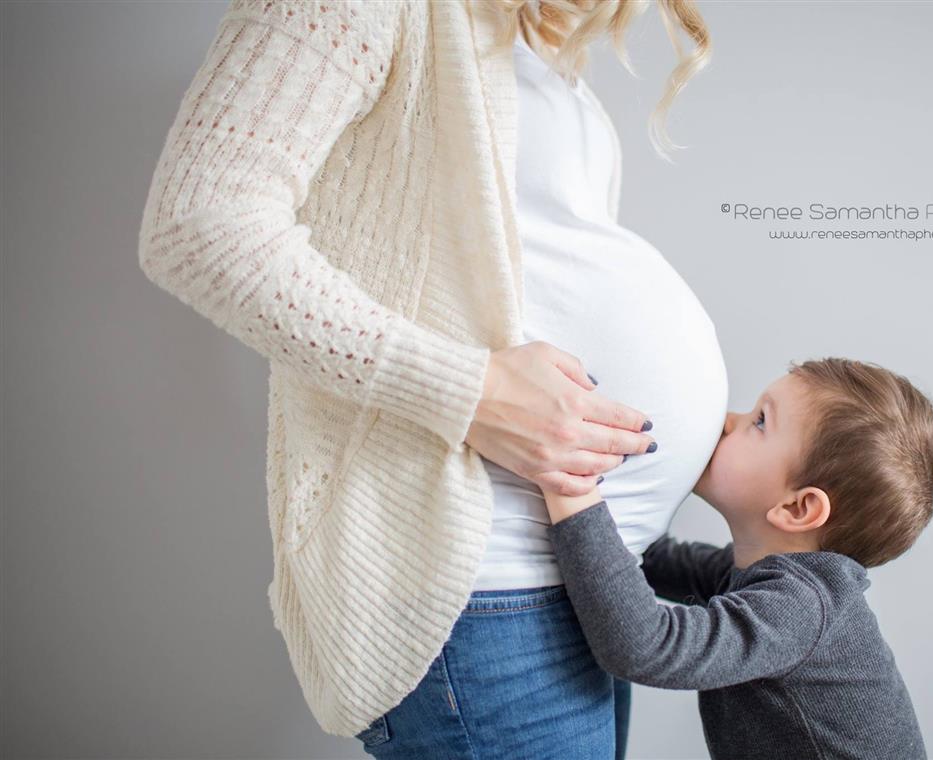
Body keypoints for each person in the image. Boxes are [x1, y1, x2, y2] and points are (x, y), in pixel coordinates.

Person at [136, 0, 716, 756]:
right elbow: (198, 223)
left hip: (590, 577)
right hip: (482, 588)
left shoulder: (525, 39)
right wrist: (471, 391)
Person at [540, 358, 933, 759]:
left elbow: (646, 646)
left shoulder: (801, 609)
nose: (726, 421)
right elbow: (651, 561)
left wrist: (571, 482)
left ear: (797, 508)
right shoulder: (770, 580)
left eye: (759, 421)